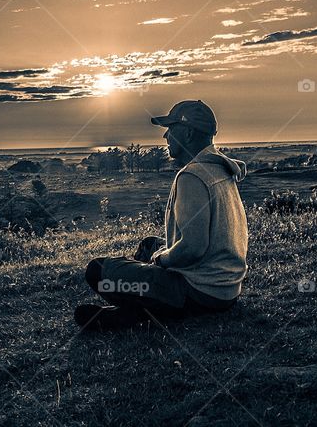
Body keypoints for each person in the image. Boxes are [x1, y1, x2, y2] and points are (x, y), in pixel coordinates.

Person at [75, 100, 249, 331]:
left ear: (187, 133)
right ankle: (143, 303)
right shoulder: (222, 168)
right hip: (226, 288)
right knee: (150, 244)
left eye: (171, 128)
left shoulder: (192, 177)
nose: (166, 136)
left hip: (199, 290)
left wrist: (161, 260)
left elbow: (193, 248)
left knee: (97, 269)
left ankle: (137, 312)